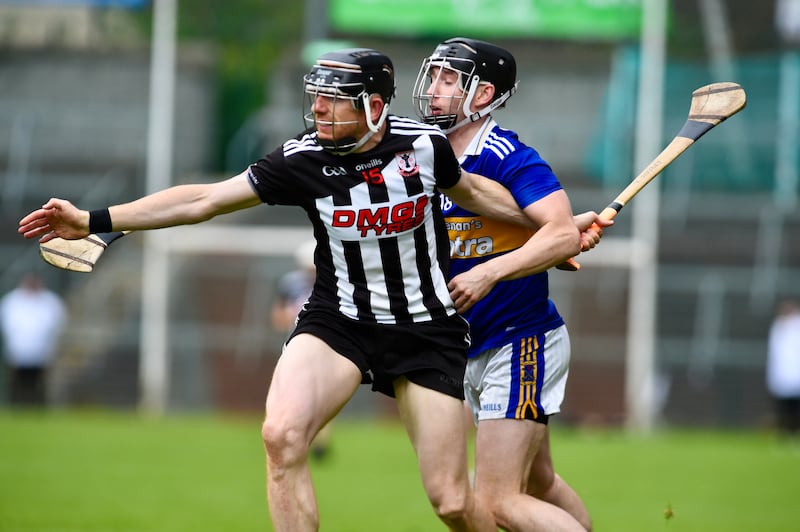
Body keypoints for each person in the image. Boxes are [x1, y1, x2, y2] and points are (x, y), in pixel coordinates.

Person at [17, 48, 589, 532]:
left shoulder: (423, 148)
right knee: (281, 436)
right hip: (338, 321)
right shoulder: (302, 157)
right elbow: (203, 200)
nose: (317, 109)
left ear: (373, 106)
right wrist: (95, 219)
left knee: (454, 502)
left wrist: (557, 233)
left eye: (333, 99)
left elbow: (482, 201)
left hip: (426, 329)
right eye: (315, 96)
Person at [414, 37, 611, 531]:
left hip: (518, 342)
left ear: (483, 96)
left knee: (499, 500)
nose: (434, 89)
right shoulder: (421, 152)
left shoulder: (507, 155)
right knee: (540, 482)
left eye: (449, 79)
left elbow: (561, 231)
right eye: (433, 76)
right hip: (465, 347)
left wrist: (492, 270)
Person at [270, 239, 332, 460]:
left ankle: (319, 439)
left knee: (322, 394)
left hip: (326, 345)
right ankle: (297, 433)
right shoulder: (291, 283)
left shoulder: (333, 282)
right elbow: (277, 317)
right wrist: (286, 317)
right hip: (296, 344)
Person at [0, 272, 67, 407]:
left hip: (43, 350)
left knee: (40, 381)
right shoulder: (12, 301)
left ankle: (39, 405)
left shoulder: (50, 301)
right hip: (18, 348)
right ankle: (16, 405)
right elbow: (7, 324)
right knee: (18, 381)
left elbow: (58, 324)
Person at [766, 298, 800, 435]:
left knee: (796, 406)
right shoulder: (778, 326)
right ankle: (784, 432)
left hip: (795, 372)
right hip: (782, 374)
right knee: (783, 406)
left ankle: (796, 430)